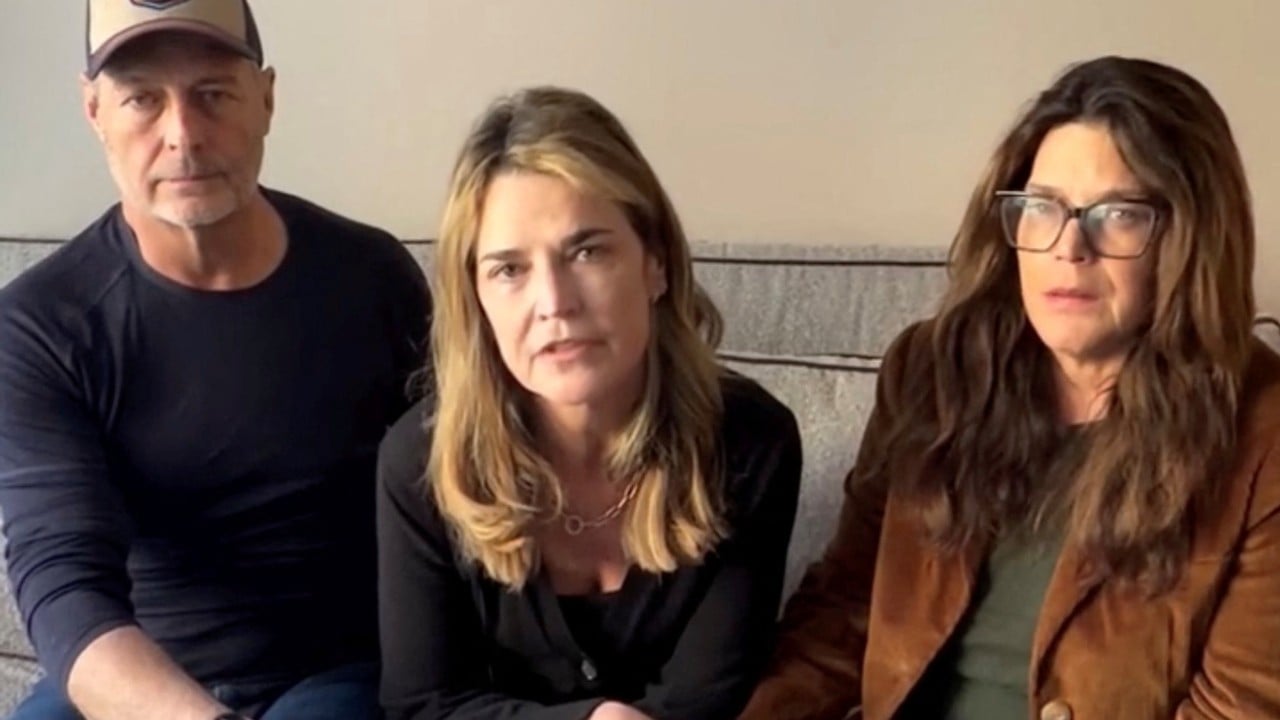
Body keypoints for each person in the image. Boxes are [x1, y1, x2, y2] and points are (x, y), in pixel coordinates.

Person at [739, 56, 1280, 720]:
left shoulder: (1264, 434)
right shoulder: (932, 374)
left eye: (1117, 213)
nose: (1068, 248)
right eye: (1042, 207)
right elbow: (842, 612)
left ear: (1190, 238)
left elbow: (1240, 707)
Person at [0, 1, 430, 718]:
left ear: (266, 98)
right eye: (142, 99)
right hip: (142, 679)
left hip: (342, 672)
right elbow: (64, 584)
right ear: (94, 111)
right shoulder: (41, 325)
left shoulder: (374, 277)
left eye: (213, 93)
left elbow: (454, 500)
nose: (183, 135)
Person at [376, 86, 802, 720]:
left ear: (655, 263)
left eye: (587, 251)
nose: (554, 303)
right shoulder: (420, 463)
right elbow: (423, 704)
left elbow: (706, 701)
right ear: (476, 299)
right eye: (509, 270)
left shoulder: (750, 444)